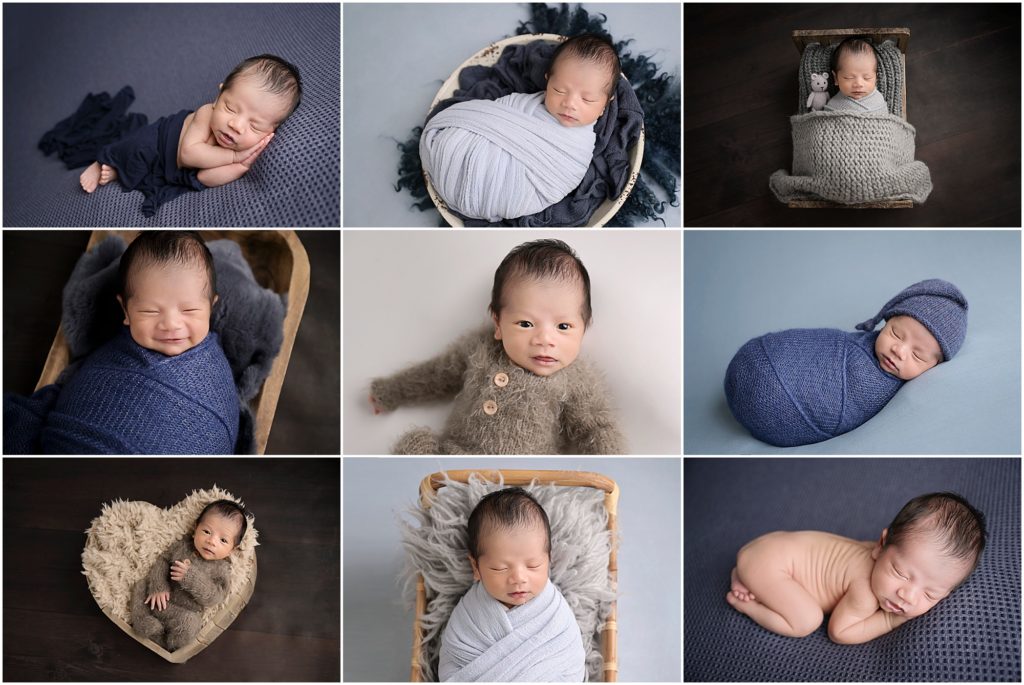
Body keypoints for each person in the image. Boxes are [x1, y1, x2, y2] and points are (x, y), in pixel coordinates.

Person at [369, 238, 625, 454]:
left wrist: (607, 460)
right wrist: (392, 391)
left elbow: (596, 428)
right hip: (455, 455)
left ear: (584, 328)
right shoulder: (480, 347)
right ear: (498, 323)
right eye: (525, 324)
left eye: (564, 326)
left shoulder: (576, 379)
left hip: (522, 471)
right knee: (414, 445)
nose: (545, 340)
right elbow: (437, 375)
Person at [4, 231, 240, 454]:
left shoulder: (213, 373)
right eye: (150, 311)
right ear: (125, 310)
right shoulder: (114, 351)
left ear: (211, 307)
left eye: (189, 310)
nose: (171, 324)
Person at [727, 492, 986, 644]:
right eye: (900, 573)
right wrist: (889, 619)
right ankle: (746, 602)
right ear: (880, 546)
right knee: (806, 621)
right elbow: (839, 632)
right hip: (772, 564)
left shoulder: (879, 554)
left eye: (930, 594)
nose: (907, 596)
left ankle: (747, 573)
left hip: (769, 545)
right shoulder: (865, 592)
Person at [419, 35, 620, 222]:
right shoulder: (522, 104)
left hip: (496, 193)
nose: (570, 104)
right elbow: (483, 116)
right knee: (450, 143)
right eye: (559, 90)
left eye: (587, 99)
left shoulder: (579, 148)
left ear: (605, 103)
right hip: (455, 161)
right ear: (547, 80)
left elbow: (561, 179)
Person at [75, 54, 301, 216]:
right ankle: (105, 160)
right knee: (137, 147)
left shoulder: (245, 152)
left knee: (188, 179)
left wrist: (242, 165)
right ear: (219, 96)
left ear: (270, 133)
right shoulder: (206, 113)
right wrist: (233, 157)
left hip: (181, 173)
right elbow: (188, 155)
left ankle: (119, 170)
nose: (236, 125)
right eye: (230, 108)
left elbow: (204, 178)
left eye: (255, 126)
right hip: (164, 141)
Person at [438, 488, 586, 681]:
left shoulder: (554, 613)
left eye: (533, 565)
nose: (518, 578)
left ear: (549, 560)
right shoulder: (469, 614)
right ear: (476, 567)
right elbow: (451, 662)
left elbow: (571, 661)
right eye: (500, 568)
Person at [130, 500, 248, 652]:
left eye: (223, 540)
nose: (211, 541)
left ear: (232, 550)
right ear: (195, 529)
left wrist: (190, 577)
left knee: (190, 625)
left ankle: (164, 643)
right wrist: (159, 587)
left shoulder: (221, 569)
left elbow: (215, 597)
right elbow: (163, 561)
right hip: (157, 599)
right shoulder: (184, 546)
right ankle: (141, 620)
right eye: (207, 532)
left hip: (183, 612)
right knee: (141, 585)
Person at [824, 38, 888, 113]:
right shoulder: (833, 106)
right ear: (836, 78)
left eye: (867, 78)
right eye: (849, 77)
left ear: (876, 78)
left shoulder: (879, 102)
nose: (858, 84)